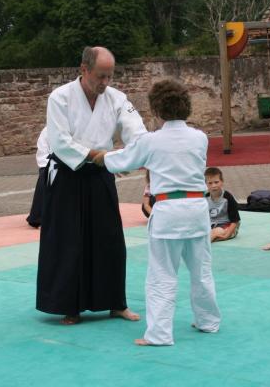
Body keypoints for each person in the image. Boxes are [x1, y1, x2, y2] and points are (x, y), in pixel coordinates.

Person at [93, 79, 221, 346]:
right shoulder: (200, 138)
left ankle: (160, 334)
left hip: (168, 212)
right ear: (185, 107)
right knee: (201, 271)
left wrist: (97, 156)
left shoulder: (150, 141)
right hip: (197, 210)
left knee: (162, 274)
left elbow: (122, 161)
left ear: (156, 110)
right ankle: (208, 322)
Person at [36, 46, 147, 325]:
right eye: (100, 76)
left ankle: (115, 303)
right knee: (69, 242)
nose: (105, 82)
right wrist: (102, 156)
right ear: (83, 70)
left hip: (100, 174)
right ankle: (69, 306)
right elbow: (60, 142)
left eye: (109, 76)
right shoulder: (59, 98)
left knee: (110, 239)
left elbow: (136, 131)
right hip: (68, 175)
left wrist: (143, 152)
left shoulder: (117, 98)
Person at [204, 167, 241, 242]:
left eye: (216, 182)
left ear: (222, 181)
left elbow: (235, 221)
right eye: (210, 183)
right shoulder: (205, 198)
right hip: (211, 225)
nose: (213, 186)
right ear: (206, 184)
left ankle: (205, 242)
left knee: (215, 233)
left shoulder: (228, 198)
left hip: (227, 226)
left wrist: (227, 235)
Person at [26, 127, 50, 228]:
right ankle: (37, 217)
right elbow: (43, 155)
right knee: (44, 178)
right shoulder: (47, 131)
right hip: (48, 164)